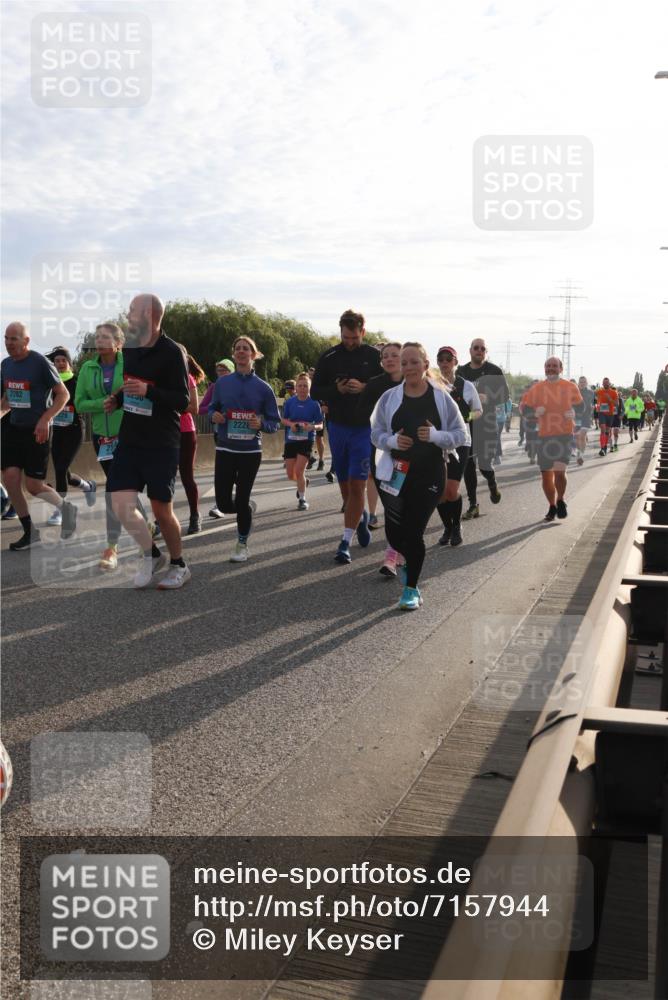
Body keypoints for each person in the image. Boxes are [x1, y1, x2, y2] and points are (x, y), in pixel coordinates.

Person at [104, 294, 192, 589]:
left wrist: (148, 391)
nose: (127, 315)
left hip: (161, 442)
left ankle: (179, 565)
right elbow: (129, 384)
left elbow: (183, 401)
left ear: (150, 315)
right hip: (130, 439)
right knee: (120, 504)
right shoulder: (129, 348)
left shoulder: (172, 352)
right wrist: (116, 399)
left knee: (160, 510)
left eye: (132, 310)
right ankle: (151, 554)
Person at [371, 343, 467, 609]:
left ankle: (411, 588)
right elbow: (375, 433)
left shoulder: (441, 398)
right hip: (396, 473)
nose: (409, 368)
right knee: (394, 533)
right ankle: (410, 564)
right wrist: (390, 441)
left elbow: (462, 435)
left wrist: (437, 436)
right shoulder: (389, 398)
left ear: (425, 365)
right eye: (404, 363)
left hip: (430, 474)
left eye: (415, 362)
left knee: (413, 532)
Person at [311, 309, 383, 564]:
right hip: (338, 428)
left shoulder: (375, 356)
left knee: (357, 484)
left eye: (354, 337)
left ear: (363, 331)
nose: (350, 342)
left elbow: (389, 385)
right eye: (345, 337)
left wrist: (365, 387)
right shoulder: (329, 356)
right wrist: (336, 390)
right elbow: (314, 391)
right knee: (345, 487)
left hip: (365, 429)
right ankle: (359, 518)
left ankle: (345, 541)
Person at [1, 322, 77, 549]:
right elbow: (7, 400)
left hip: (38, 430)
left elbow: (62, 395)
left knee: (34, 486)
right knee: (11, 478)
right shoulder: (5, 365)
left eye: (14, 338)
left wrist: (46, 419)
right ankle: (30, 533)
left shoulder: (39, 363)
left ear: (26, 341)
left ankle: (67, 509)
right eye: (6, 338)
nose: (8, 342)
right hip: (14, 428)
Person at [75, 322, 144, 570]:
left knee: (115, 491)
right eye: (98, 336)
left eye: (105, 337)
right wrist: (103, 403)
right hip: (101, 437)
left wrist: (118, 403)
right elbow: (80, 402)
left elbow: (138, 394)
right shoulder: (87, 368)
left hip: (128, 434)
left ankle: (111, 548)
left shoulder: (131, 364)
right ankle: (148, 526)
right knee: (120, 489)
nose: (100, 340)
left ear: (118, 343)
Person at [209, 335, 281, 561]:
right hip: (225, 449)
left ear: (253, 354)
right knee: (223, 502)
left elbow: (274, 422)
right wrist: (215, 416)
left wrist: (262, 424)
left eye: (245, 349)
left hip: (250, 452)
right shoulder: (222, 384)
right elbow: (210, 409)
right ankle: (246, 509)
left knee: (240, 499)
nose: (241, 352)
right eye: (237, 348)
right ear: (234, 354)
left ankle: (242, 544)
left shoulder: (264, 388)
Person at [520, 356, 582, 522]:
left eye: (554, 366)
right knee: (547, 475)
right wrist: (534, 413)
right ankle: (552, 505)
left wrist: (575, 413)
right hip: (544, 436)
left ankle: (560, 499)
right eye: (548, 366)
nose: (551, 368)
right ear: (544, 369)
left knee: (559, 471)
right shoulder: (537, 388)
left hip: (564, 435)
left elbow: (581, 407)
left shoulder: (570, 387)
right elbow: (524, 411)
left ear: (561, 369)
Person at [360, 341, 404, 575]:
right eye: (385, 356)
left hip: (407, 452)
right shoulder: (375, 385)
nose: (389, 359)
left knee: (398, 502)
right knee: (390, 500)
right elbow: (363, 416)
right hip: (381, 451)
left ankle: (392, 553)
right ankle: (394, 550)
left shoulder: (414, 383)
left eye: (394, 355)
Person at [434, 345, 482, 547]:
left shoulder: (467, 386)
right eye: (441, 359)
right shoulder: (431, 384)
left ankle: (456, 526)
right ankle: (447, 526)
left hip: (461, 441)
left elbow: (478, 410)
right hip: (437, 441)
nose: (445, 363)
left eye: (448, 359)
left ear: (455, 361)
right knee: (438, 491)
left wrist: (467, 417)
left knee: (451, 489)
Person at [45, 345, 97, 525]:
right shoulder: (50, 383)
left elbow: (84, 400)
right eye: (57, 361)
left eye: (63, 361)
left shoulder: (76, 381)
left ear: (70, 364)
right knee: (63, 472)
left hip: (74, 430)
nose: (60, 364)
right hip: (57, 431)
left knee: (60, 469)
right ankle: (88, 486)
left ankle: (61, 510)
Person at [457, 339, 507, 519]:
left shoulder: (494, 371)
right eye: (476, 348)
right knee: (468, 465)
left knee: (485, 465)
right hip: (467, 424)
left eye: (482, 348)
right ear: (470, 350)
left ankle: (492, 484)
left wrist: (488, 399)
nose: (479, 351)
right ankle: (473, 504)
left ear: (486, 352)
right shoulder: (461, 371)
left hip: (487, 424)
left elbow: (505, 396)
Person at [281, 372, 323, 510]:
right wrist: (291, 425)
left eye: (305, 386)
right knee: (290, 474)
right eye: (300, 386)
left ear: (309, 388)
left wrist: (312, 427)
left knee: (299, 471)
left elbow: (320, 424)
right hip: (291, 440)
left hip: (306, 440)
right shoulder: (290, 402)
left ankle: (302, 499)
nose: (303, 388)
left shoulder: (314, 404)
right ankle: (303, 482)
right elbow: (283, 419)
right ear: (296, 388)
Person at [199, 358, 234, 519]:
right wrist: (214, 411)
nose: (221, 374)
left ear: (232, 371)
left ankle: (239, 498)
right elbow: (201, 409)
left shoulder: (240, 386)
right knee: (224, 469)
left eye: (224, 370)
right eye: (219, 371)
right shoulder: (213, 388)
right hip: (219, 433)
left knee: (236, 470)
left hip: (241, 435)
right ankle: (220, 504)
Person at [174, 344, 202, 534]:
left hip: (185, 431)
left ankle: (194, 515)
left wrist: (169, 403)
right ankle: (163, 519)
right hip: (164, 432)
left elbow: (194, 408)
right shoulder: (160, 377)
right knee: (163, 478)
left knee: (187, 477)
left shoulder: (188, 378)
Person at [574, 375, 595, 466]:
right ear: (578, 383)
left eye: (584, 382)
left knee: (582, 436)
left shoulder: (591, 392)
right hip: (576, 417)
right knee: (578, 437)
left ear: (586, 383)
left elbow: (593, 404)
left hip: (586, 417)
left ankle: (581, 455)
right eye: (580, 382)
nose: (582, 383)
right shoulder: (574, 391)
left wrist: (592, 410)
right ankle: (579, 451)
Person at [595, 378, 619, 456]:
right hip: (602, 413)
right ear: (602, 384)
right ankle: (602, 448)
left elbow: (616, 404)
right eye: (604, 383)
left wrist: (610, 399)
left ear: (609, 383)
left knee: (607, 432)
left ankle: (604, 448)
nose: (605, 384)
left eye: (607, 383)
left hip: (610, 414)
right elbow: (591, 394)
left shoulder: (614, 392)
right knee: (602, 429)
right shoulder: (599, 391)